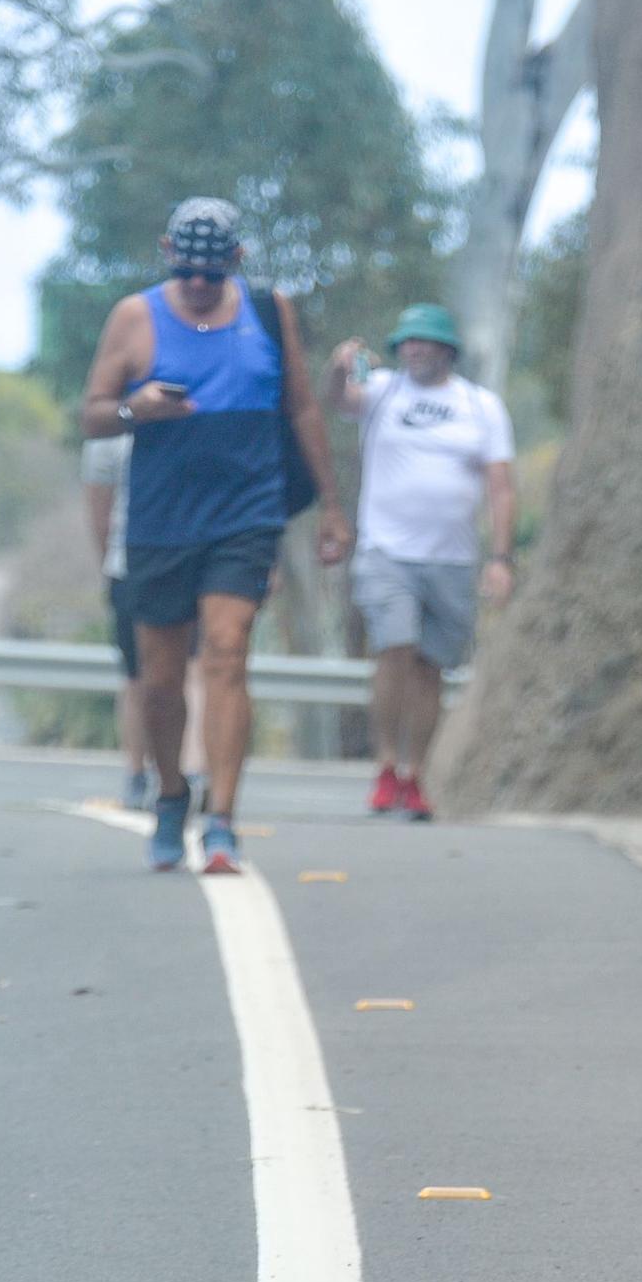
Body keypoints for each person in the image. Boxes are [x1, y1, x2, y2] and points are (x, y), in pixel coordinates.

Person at [80, 197, 350, 872]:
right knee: (160, 679)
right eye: (189, 269)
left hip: (245, 515)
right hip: (161, 522)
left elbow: (302, 407)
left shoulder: (267, 311)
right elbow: (90, 417)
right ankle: (172, 794)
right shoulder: (135, 316)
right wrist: (133, 408)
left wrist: (333, 509)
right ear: (169, 252)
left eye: (213, 272)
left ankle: (222, 819)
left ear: (237, 261)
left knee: (229, 652)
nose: (200, 284)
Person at [323, 304, 516, 820]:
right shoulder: (382, 391)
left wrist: (500, 558)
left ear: (446, 349)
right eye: (406, 342)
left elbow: (500, 486)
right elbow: (337, 400)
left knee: (430, 667)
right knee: (395, 647)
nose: (413, 349)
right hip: (387, 552)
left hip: (451, 560)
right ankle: (385, 764)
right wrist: (340, 367)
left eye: (424, 342)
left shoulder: (480, 406)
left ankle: (415, 774)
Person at [81, 431, 206, 809]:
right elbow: (99, 512)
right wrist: (113, 564)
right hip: (131, 566)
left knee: (194, 669)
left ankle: (192, 770)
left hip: (189, 563)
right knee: (137, 674)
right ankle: (137, 772)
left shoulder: (197, 419)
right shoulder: (108, 434)